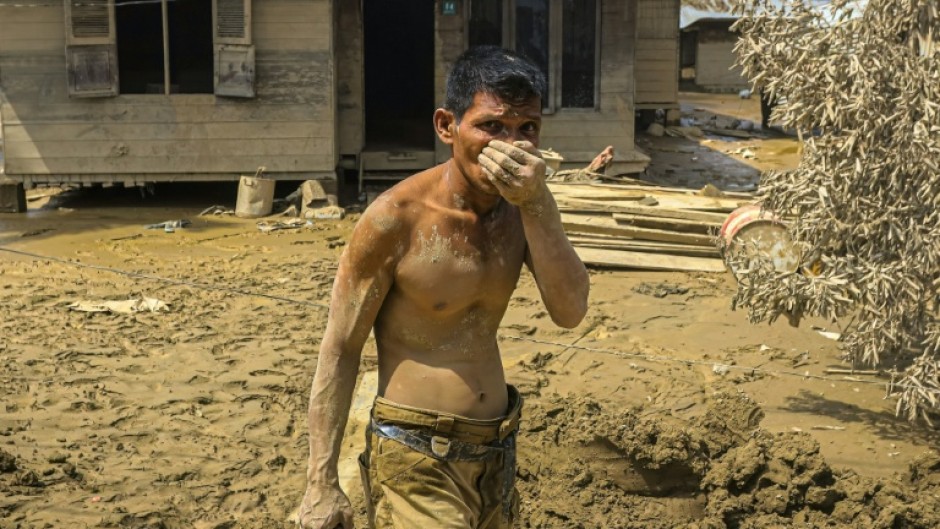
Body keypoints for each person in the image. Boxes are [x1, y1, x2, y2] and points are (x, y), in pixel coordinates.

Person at [298, 46, 590, 529]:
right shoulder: (398, 217)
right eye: (491, 126)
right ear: (447, 126)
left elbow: (570, 310)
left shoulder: (526, 208)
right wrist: (321, 482)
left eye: (527, 129)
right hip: (417, 455)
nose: (510, 145)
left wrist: (537, 203)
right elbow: (340, 347)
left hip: (496, 451)